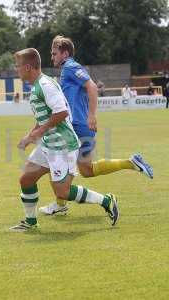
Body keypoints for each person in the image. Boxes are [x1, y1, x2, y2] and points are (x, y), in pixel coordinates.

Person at [39, 35, 153, 215]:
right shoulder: (67, 68)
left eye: (54, 53)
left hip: (78, 126)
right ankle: (131, 163)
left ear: (65, 53)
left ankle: (61, 205)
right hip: (76, 126)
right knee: (86, 169)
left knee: (57, 162)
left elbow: (92, 87)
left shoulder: (71, 67)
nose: (52, 57)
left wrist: (92, 115)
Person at [9, 48, 119, 232]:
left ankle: (107, 201)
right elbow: (44, 117)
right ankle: (30, 222)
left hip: (62, 146)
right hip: (48, 144)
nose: (16, 70)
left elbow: (61, 112)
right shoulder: (37, 86)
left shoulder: (45, 85)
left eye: (18, 66)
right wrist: (30, 136)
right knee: (26, 179)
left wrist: (39, 132)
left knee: (63, 192)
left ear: (28, 67)